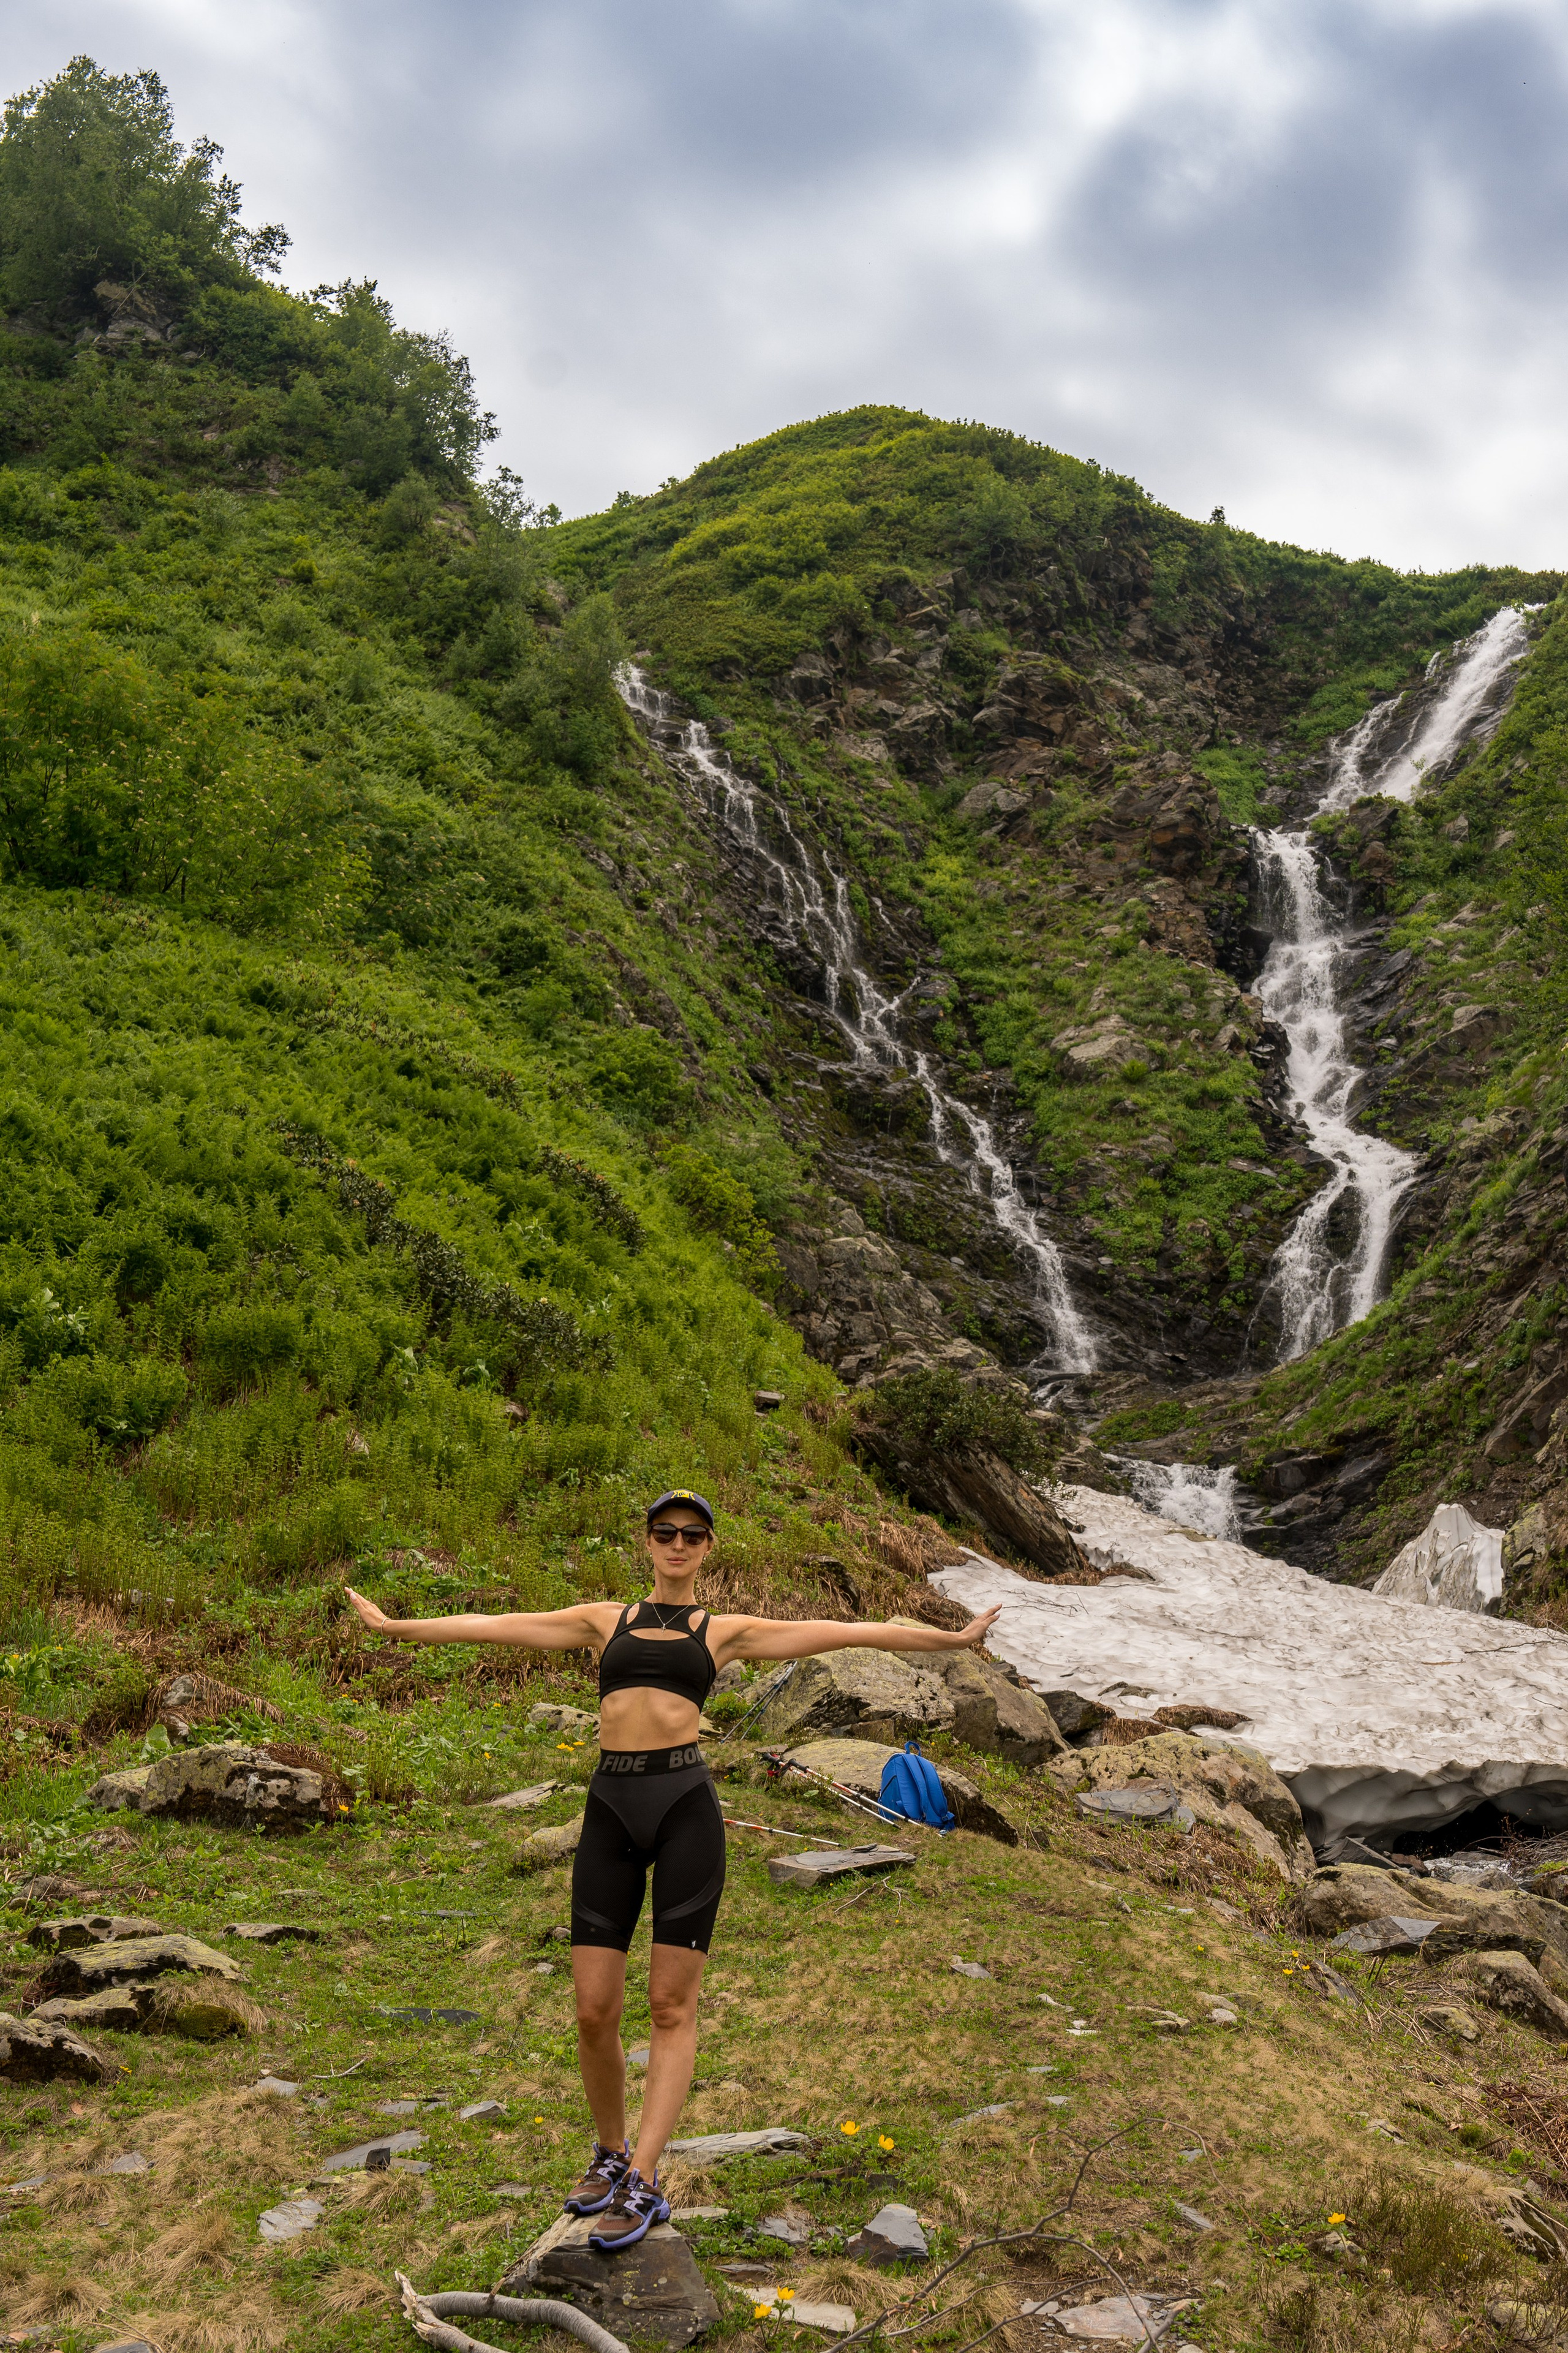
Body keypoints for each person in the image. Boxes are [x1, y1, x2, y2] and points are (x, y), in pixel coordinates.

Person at [345, 1487, 1001, 2249]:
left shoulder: (726, 1632)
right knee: (593, 2007)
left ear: (708, 1548)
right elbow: (496, 1627)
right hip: (610, 1806)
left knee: (668, 2005)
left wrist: (952, 1640)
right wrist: (398, 1626)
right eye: (666, 1532)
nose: (679, 1544)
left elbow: (849, 1631)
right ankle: (609, 2153)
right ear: (648, 1541)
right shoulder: (602, 1620)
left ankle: (646, 2178)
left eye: (693, 1534)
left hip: (683, 1805)